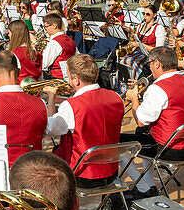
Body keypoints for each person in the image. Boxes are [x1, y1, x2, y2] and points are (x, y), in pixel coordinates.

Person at [123, 46, 184, 196]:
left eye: (150, 63)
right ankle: (150, 184)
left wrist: (134, 99)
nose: (150, 67)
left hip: (168, 149)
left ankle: (144, 187)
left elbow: (141, 121)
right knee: (144, 134)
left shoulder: (158, 88)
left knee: (118, 144)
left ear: (157, 64)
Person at [44, 54, 125, 188]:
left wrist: (51, 97)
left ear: (76, 80)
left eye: (68, 76)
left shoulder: (71, 105)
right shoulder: (116, 97)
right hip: (111, 172)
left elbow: (51, 129)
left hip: (81, 174)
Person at [39, 13, 74, 80]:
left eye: (46, 27)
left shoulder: (54, 42)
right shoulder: (70, 39)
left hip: (57, 78)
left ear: (54, 26)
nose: (45, 29)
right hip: (69, 76)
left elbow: (44, 64)